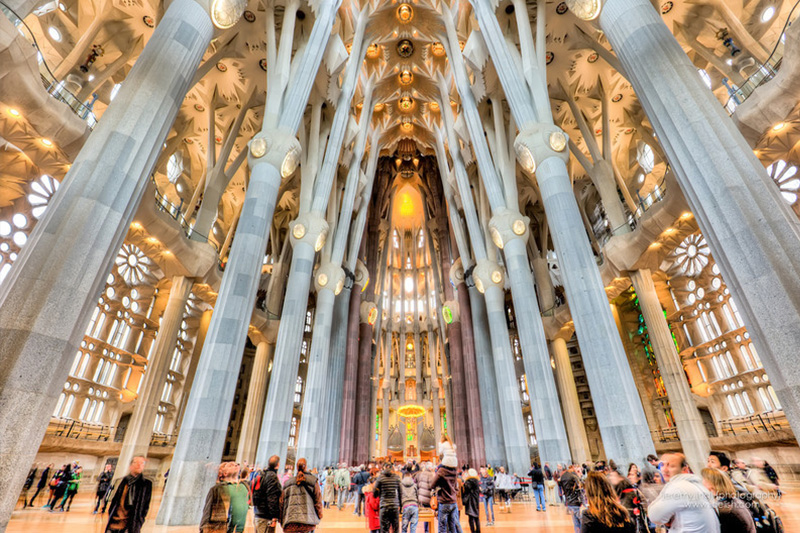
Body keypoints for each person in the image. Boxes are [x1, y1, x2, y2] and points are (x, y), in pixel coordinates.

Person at [648, 453, 720, 533]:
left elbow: (654, 516)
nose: (664, 469)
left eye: (671, 466)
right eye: (662, 465)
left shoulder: (678, 487)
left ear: (684, 469)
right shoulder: (697, 485)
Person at [105, 456, 152, 533]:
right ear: (130, 466)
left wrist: (139, 521)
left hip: (131, 525)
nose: (139, 465)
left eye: (142, 463)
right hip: (114, 523)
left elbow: (145, 506)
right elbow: (113, 501)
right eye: (136, 462)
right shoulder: (121, 481)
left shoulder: (146, 484)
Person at [701, 468, 756, 533]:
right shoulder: (733, 500)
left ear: (712, 485)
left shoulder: (724, 509)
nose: (702, 482)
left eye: (704, 479)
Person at [200, 462, 249, 533]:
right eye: (230, 465)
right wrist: (203, 529)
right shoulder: (217, 489)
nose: (236, 465)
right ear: (224, 473)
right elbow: (207, 512)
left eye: (236, 464)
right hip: (222, 529)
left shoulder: (244, 487)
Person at [280, 458, 322, 533]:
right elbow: (318, 501)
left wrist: (281, 519)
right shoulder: (313, 481)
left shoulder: (288, 483)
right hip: (307, 522)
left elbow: (282, 502)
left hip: (290, 522)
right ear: (306, 467)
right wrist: (319, 515)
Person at [252, 455, 283, 533]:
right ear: (278, 465)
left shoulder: (262, 474)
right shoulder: (272, 477)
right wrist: (274, 516)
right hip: (266, 516)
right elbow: (272, 497)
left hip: (258, 512)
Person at [431, 461, 463, 533]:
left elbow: (432, 485)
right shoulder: (454, 471)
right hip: (453, 502)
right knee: (453, 526)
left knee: (442, 527)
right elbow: (457, 488)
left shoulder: (441, 472)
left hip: (444, 501)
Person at [374, 463, 402, 533]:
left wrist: (378, 494)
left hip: (384, 506)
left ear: (384, 468)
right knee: (395, 530)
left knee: (384, 530)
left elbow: (375, 491)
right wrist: (400, 505)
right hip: (394, 506)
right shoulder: (396, 477)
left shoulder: (380, 477)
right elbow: (400, 492)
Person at [560, 464, 583, 533]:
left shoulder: (563, 477)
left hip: (570, 502)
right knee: (582, 522)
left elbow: (563, 490)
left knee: (576, 523)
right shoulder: (574, 476)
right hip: (577, 502)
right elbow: (580, 487)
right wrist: (579, 476)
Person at [462, 468, 481, 533]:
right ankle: (478, 531)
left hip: (470, 501)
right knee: (476, 517)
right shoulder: (476, 481)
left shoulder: (468, 482)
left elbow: (465, 491)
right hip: (476, 501)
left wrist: (464, 480)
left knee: (470, 519)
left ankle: (473, 531)